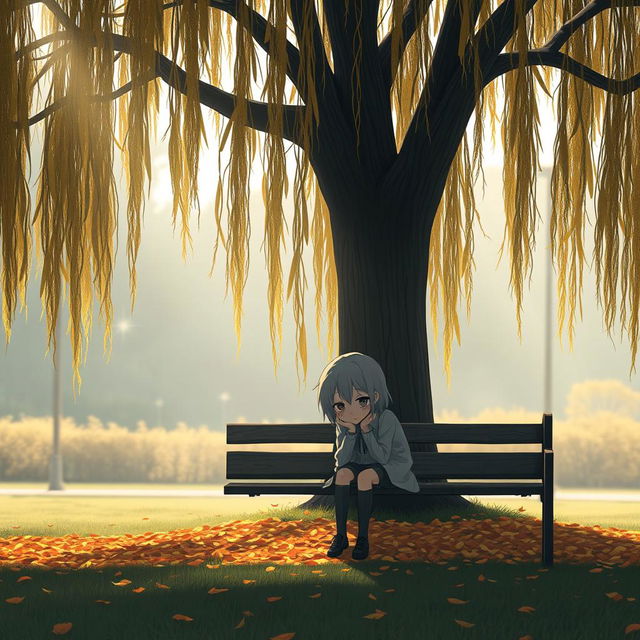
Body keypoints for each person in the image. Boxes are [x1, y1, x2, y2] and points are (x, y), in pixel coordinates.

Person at [314, 352, 419, 560]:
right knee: (343, 475)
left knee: (364, 477)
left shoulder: (386, 419)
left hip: (389, 467)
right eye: (340, 405)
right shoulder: (343, 424)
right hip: (358, 464)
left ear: (375, 396)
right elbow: (341, 462)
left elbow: (382, 457)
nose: (350, 411)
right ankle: (341, 536)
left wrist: (366, 430)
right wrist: (352, 433)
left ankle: (363, 538)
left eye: (361, 400)